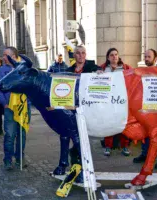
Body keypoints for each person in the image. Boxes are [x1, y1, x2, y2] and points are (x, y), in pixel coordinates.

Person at [54, 45, 101, 176]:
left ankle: (81, 164)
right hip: (70, 109)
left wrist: (99, 73)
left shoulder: (92, 67)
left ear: (86, 55)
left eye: (83, 53)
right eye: (78, 53)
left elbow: (101, 75)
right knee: (67, 134)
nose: (81, 55)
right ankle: (71, 162)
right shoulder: (68, 70)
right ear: (74, 56)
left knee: (80, 137)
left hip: (86, 108)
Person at [0, 46, 31, 170]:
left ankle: (20, 158)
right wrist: (4, 103)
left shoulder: (23, 68)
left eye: (5, 55)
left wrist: (29, 102)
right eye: (3, 55)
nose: (3, 57)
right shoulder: (1, 71)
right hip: (9, 108)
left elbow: (31, 85)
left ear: (13, 56)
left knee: (22, 134)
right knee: (10, 135)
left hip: (24, 108)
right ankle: (8, 160)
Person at [133, 49, 157, 169]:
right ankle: (145, 154)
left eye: (149, 57)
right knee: (145, 133)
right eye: (145, 56)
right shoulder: (142, 71)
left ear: (155, 58)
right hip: (144, 108)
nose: (146, 59)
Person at [100, 48, 132, 157]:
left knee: (123, 125)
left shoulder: (126, 68)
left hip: (122, 100)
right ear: (108, 57)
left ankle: (125, 146)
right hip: (108, 101)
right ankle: (107, 147)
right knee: (108, 124)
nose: (114, 57)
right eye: (112, 55)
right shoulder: (103, 68)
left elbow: (134, 78)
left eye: (116, 54)